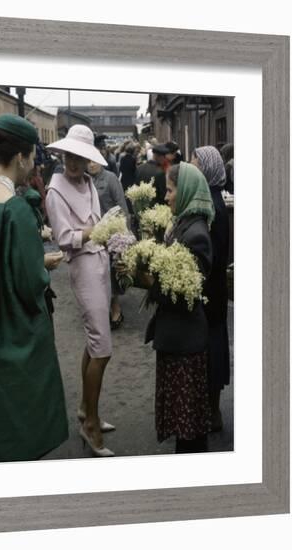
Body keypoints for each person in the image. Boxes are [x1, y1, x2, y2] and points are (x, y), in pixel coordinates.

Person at [0, 114, 68, 462]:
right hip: (13, 325)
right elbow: (29, 282)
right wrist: (43, 266)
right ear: (20, 158)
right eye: (32, 156)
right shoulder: (16, 211)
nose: (34, 163)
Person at [128, 162, 214, 453]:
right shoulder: (183, 223)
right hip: (178, 339)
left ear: (186, 190)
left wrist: (144, 278)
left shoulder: (196, 233)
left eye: (170, 189)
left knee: (189, 429)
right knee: (185, 424)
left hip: (185, 341)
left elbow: (184, 294)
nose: (165, 197)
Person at [46, 125, 115, 457]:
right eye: (70, 155)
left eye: (81, 156)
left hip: (101, 261)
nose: (73, 162)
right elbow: (63, 238)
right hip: (83, 266)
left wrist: (112, 236)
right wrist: (91, 232)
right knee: (103, 348)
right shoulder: (54, 191)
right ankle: (90, 423)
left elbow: (100, 224)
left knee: (94, 339)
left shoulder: (89, 183)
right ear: (62, 154)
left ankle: (87, 411)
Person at [191, 146, 231, 431]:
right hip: (212, 289)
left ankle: (213, 412)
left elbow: (211, 257)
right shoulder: (210, 200)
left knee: (213, 347)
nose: (191, 166)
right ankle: (209, 409)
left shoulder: (214, 207)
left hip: (212, 291)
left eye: (195, 163)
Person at [86, 158, 129, 329]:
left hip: (111, 232)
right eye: (87, 162)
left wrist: (124, 234)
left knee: (111, 271)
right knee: (97, 273)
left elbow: (122, 206)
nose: (91, 164)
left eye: (94, 161)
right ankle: (102, 309)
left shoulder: (110, 178)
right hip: (91, 234)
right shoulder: (85, 180)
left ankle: (115, 308)